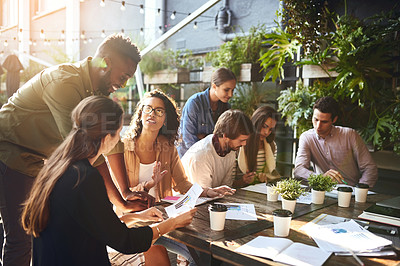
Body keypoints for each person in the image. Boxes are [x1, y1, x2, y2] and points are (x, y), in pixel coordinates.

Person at [0, 33, 150, 266]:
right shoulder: (64, 83)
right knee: (21, 239)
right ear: (106, 63)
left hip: (38, 159)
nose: (123, 84)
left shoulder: (99, 90)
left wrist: (126, 193)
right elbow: (87, 146)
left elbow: (112, 143)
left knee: (41, 230)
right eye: (124, 76)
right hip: (9, 151)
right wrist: (120, 203)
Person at [21, 96, 197, 266]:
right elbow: (125, 241)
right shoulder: (85, 178)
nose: (119, 140)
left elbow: (99, 223)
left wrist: (137, 217)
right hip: (77, 259)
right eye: (118, 133)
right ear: (106, 138)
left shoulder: (58, 166)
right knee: (155, 253)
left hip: (56, 258)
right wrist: (172, 223)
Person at [108, 90, 235, 265]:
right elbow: (120, 196)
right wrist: (147, 184)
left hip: (160, 216)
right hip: (132, 223)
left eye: (159, 111)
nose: (152, 114)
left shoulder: (167, 147)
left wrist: (208, 191)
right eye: (148, 108)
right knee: (163, 253)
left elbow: (183, 184)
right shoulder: (122, 147)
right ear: (140, 113)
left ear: (165, 118)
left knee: (195, 256)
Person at [294, 96, 378, 187]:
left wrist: (360, 191)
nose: (318, 126)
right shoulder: (307, 138)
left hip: (349, 191)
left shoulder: (350, 135)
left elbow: (370, 168)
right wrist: (321, 177)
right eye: (316, 120)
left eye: (324, 122)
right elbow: (299, 170)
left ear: (334, 120)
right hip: (322, 191)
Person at [181, 109, 254, 188]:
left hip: (211, 197)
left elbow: (226, 186)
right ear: (225, 136)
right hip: (190, 199)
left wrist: (242, 181)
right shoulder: (202, 155)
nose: (244, 144)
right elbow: (203, 195)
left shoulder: (230, 149)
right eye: (241, 140)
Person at [177, 67, 236, 157]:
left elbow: (226, 140)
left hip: (213, 159)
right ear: (214, 86)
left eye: (233, 90)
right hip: (190, 159)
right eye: (226, 90)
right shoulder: (194, 103)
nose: (231, 94)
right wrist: (211, 140)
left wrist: (204, 138)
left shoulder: (226, 107)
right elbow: (189, 140)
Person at [234, 106, 281, 188]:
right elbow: (229, 182)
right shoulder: (240, 144)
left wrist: (265, 178)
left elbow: (271, 175)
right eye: (264, 126)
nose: (266, 132)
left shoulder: (272, 146)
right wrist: (243, 181)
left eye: (270, 129)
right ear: (256, 122)